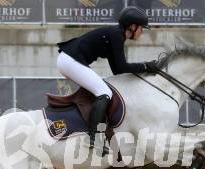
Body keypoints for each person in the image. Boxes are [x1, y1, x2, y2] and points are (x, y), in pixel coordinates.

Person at [56, 6, 159, 152]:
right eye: (141, 28)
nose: (142, 31)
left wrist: (145, 67)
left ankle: (86, 130)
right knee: (105, 92)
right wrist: (146, 66)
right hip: (70, 61)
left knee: (101, 91)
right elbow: (122, 67)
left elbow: (117, 69)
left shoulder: (116, 35)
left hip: (69, 60)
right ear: (132, 26)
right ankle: (92, 138)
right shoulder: (117, 35)